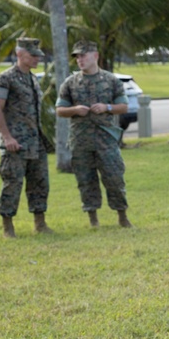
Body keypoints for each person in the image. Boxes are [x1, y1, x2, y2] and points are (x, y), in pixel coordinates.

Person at [56, 40, 132, 228]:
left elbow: (123, 107)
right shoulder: (70, 83)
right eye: (77, 57)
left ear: (95, 56)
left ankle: (122, 216)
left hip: (106, 140)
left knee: (114, 177)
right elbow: (59, 110)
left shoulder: (111, 80)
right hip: (81, 141)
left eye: (83, 55)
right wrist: (74, 110)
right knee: (85, 180)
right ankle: (93, 220)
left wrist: (107, 107)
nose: (80, 60)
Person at [0, 37, 53, 238]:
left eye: (38, 55)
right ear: (19, 54)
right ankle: (8, 227)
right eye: (32, 55)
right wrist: (7, 137)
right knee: (13, 184)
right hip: (16, 144)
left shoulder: (33, 79)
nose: (37, 59)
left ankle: (40, 223)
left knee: (40, 183)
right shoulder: (6, 78)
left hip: (36, 142)